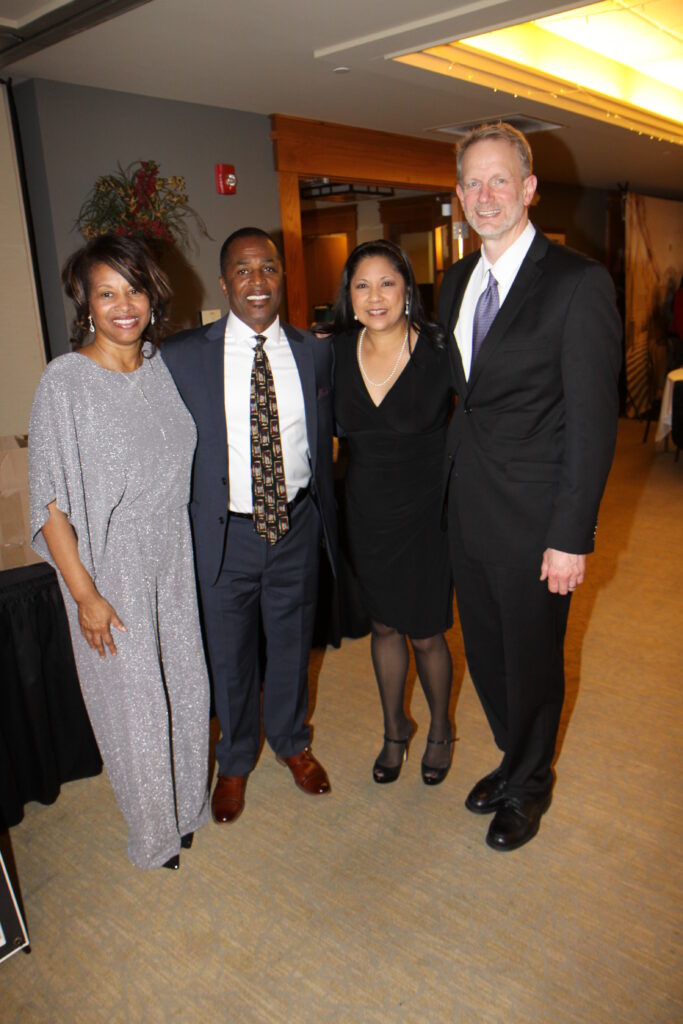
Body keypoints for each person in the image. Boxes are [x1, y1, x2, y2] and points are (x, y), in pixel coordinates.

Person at [438, 122, 622, 851]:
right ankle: (513, 760)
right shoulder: (455, 280)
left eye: (499, 181)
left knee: (534, 664)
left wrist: (569, 536)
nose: (485, 196)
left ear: (528, 188)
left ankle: (530, 786)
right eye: (472, 184)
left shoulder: (577, 284)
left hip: (537, 520)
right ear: (458, 195)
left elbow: (592, 422)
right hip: (468, 509)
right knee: (484, 655)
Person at [28, 234, 210, 870]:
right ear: (86, 302)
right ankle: (154, 834)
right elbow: (49, 506)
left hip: (173, 550)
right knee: (134, 702)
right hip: (114, 561)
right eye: (106, 293)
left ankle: (186, 808)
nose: (123, 305)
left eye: (133, 289)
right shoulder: (65, 382)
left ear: (152, 293)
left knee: (186, 684)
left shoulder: (159, 364)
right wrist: (85, 595)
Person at [162, 228, 337, 825]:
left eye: (267, 267)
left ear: (281, 275)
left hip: (295, 525)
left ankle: (291, 741)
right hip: (224, 532)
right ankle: (235, 759)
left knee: (292, 644)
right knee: (230, 655)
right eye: (243, 270)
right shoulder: (184, 355)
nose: (257, 281)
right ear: (224, 281)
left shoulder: (313, 350)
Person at [332, 240, 455, 785]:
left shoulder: (439, 348)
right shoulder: (333, 352)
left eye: (387, 282)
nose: (375, 296)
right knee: (383, 626)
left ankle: (441, 729)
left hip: (427, 516)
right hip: (366, 513)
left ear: (408, 289)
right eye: (362, 285)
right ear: (349, 296)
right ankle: (393, 730)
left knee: (426, 633)